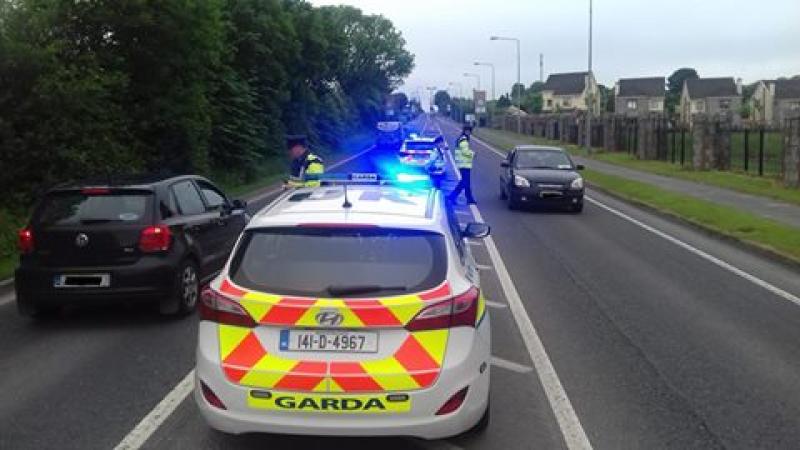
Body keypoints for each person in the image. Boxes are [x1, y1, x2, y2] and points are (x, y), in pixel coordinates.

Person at [448, 135, 476, 205]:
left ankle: (469, 198)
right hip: (464, 165)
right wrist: (473, 154)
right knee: (464, 182)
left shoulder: (461, 139)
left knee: (466, 183)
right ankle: (452, 196)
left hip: (463, 165)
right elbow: (465, 152)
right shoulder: (464, 141)